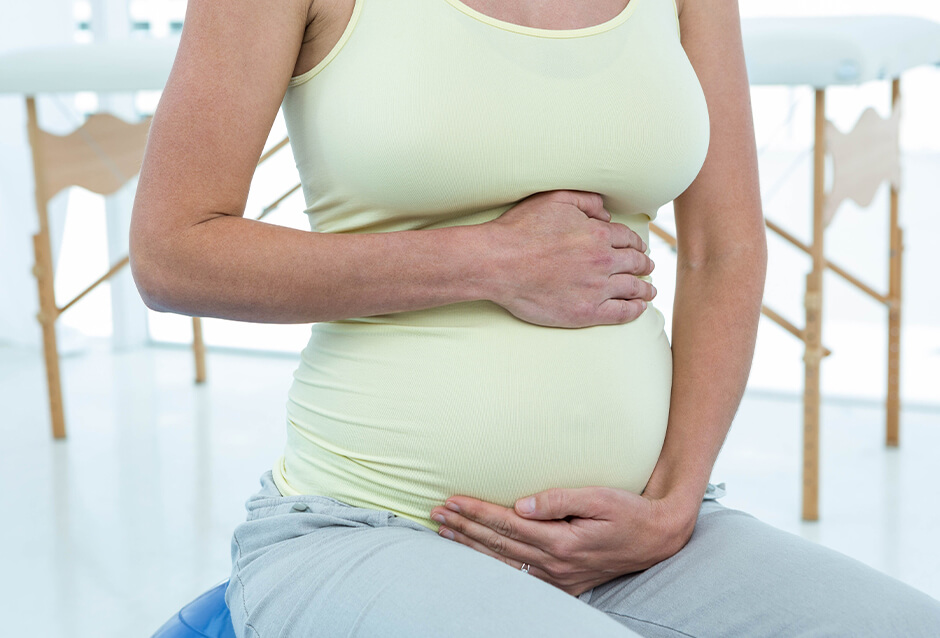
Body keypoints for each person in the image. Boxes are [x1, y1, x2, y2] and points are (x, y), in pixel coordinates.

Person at [129, 0, 940, 635]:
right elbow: (174, 254)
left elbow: (722, 252)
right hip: (367, 526)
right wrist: (492, 261)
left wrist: (674, 504)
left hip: (639, 538)